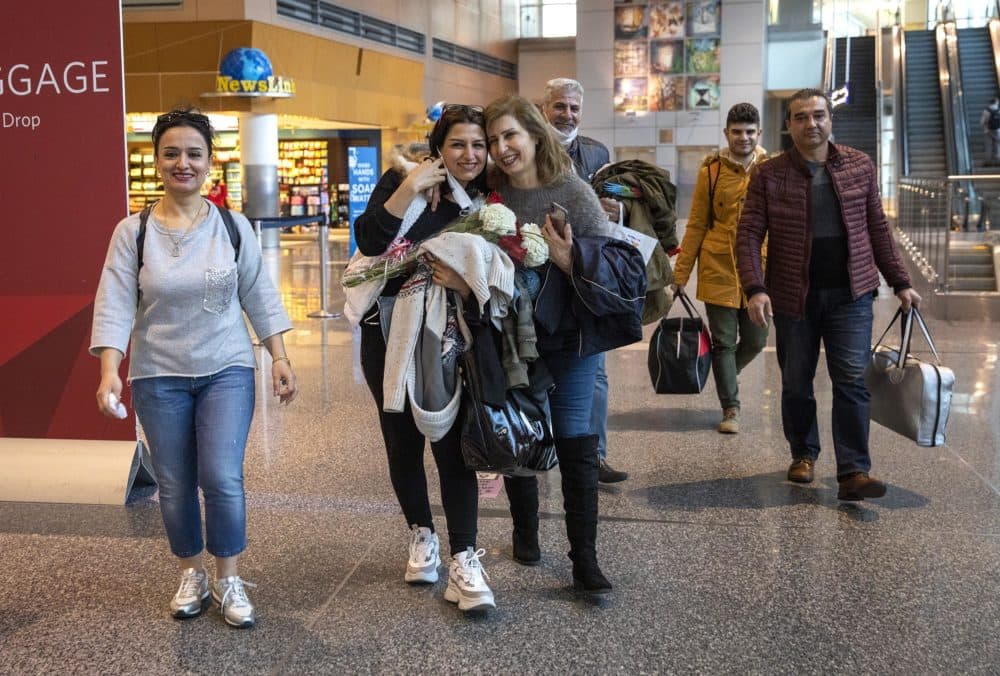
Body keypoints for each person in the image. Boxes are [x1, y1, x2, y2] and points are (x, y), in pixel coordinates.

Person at [91, 108, 298, 628]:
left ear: (209, 163)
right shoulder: (131, 232)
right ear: (156, 160)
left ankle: (228, 576)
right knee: (176, 481)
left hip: (226, 365)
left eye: (194, 154)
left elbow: (257, 291)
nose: (182, 163)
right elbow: (115, 302)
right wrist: (109, 370)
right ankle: (192, 570)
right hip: (158, 372)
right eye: (171, 153)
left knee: (221, 475)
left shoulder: (231, 226)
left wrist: (279, 356)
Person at [484, 94, 646, 595]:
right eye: (494, 141)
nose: (502, 147)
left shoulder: (570, 189)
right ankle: (525, 534)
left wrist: (571, 256)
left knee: (577, 442)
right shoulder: (492, 192)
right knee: (522, 434)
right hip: (513, 337)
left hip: (572, 336)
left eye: (510, 135)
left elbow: (616, 258)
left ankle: (585, 560)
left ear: (534, 133)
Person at [736, 89, 921, 501]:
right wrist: (755, 288)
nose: (811, 123)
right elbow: (748, 233)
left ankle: (854, 470)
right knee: (797, 381)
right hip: (791, 295)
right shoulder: (769, 174)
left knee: (852, 380)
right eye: (800, 117)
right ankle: (803, 452)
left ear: (830, 119)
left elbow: (877, 227)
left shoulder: (858, 165)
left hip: (851, 294)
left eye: (818, 115)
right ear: (789, 125)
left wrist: (901, 280)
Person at [353, 104, 496, 612]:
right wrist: (409, 187)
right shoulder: (404, 180)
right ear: (439, 147)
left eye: (478, 145)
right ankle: (421, 534)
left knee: (453, 443)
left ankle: (463, 557)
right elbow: (369, 239)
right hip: (387, 330)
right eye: (458, 144)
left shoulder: (486, 199)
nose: (470, 154)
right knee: (401, 438)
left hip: (449, 336)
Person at [541, 77, 628, 484]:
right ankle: (535, 451)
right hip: (539, 272)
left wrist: (614, 208)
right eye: (560, 106)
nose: (568, 114)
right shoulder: (528, 149)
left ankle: (594, 456)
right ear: (544, 109)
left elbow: (616, 200)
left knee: (595, 371)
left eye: (574, 108)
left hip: (588, 269)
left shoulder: (597, 152)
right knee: (535, 367)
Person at [672, 102, 769, 435]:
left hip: (760, 267)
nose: (743, 137)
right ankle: (731, 407)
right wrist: (681, 274)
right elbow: (697, 223)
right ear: (727, 133)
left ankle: (725, 373)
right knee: (724, 342)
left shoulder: (770, 168)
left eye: (750, 132)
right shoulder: (711, 171)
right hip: (718, 266)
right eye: (737, 132)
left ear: (759, 133)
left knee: (757, 339)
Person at [979, 96, 1000, 167]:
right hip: (997, 131)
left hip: (988, 131)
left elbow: (981, 122)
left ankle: (988, 162)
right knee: (997, 146)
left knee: (988, 147)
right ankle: (998, 161)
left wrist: (985, 128)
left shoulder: (986, 111)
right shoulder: (999, 110)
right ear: (996, 102)